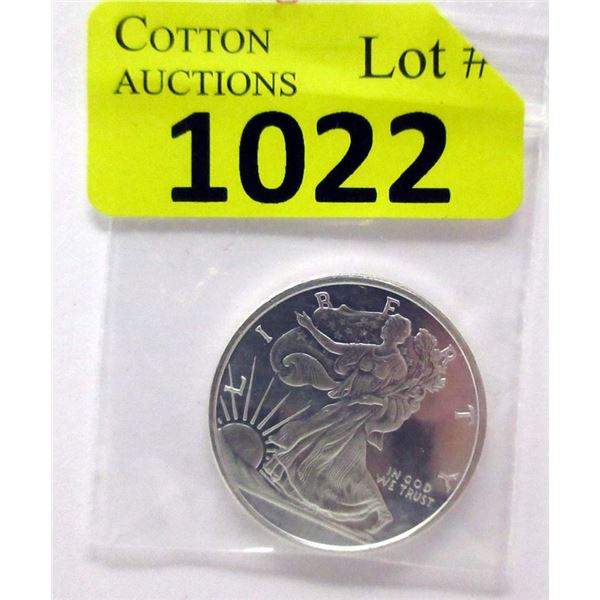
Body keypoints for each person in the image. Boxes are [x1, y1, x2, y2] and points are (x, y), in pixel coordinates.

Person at [262, 310, 429, 536]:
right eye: (386, 326)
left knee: (338, 457)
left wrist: (370, 400)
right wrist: (310, 327)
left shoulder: (398, 366)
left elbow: (393, 398)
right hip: (345, 406)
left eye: (389, 327)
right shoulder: (368, 350)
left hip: (359, 415)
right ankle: (297, 484)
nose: (384, 328)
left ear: (397, 335)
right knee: (311, 437)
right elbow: (333, 347)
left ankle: (370, 512)